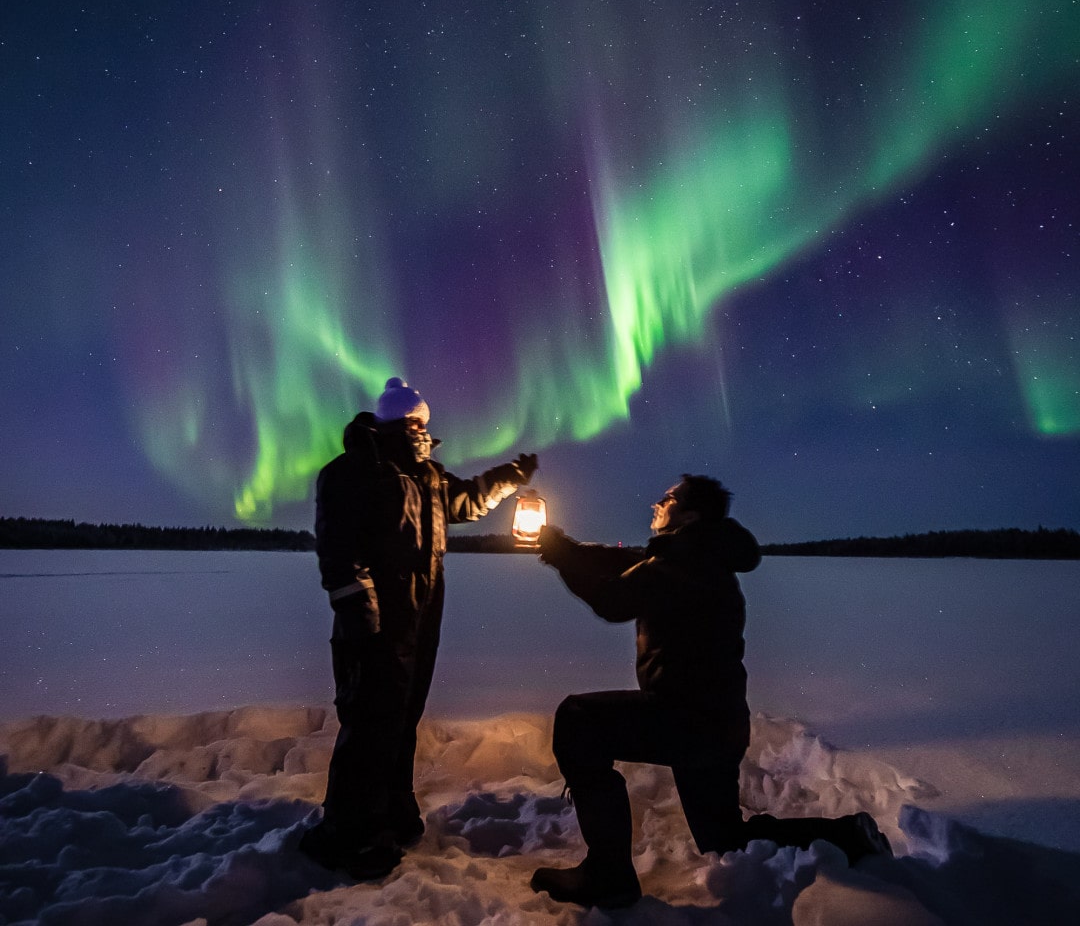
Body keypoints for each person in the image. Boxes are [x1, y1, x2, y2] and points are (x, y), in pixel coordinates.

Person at [529, 474, 891, 909]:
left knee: (579, 721)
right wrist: (565, 548)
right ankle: (848, 836)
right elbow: (625, 565)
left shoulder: (685, 562)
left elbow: (615, 599)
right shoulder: (694, 554)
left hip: (688, 720)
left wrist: (563, 558)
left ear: (691, 514)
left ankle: (608, 876)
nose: (656, 503)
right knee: (724, 838)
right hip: (714, 723)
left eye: (669, 498)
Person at [299, 377, 538, 881]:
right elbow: (339, 555)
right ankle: (349, 836)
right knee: (367, 724)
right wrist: (363, 620)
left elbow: (468, 501)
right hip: (376, 626)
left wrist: (509, 477)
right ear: (396, 424)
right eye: (415, 425)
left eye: (424, 425)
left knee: (400, 720)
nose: (423, 432)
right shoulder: (352, 474)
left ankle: (389, 814)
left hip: (419, 623)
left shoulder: (428, 478)